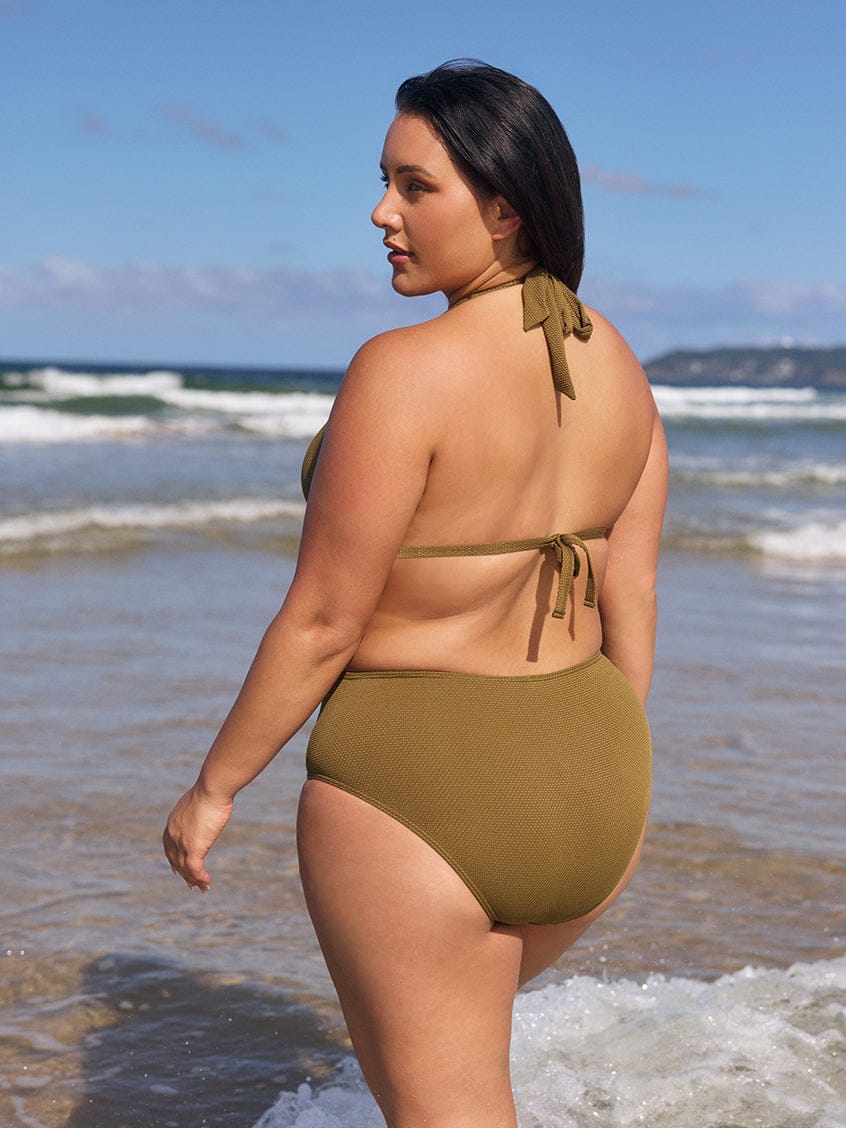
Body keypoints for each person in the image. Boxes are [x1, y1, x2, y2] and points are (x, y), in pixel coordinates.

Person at [164, 59, 667, 1128]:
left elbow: (322, 618)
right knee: (434, 1084)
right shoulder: (623, 365)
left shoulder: (403, 370)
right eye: (386, 182)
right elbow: (633, 593)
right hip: (597, 778)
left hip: (423, 787)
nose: (382, 212)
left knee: (443, 1107)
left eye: (415, 186)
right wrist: (591, 761)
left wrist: (214, 789)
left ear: (504, 208)